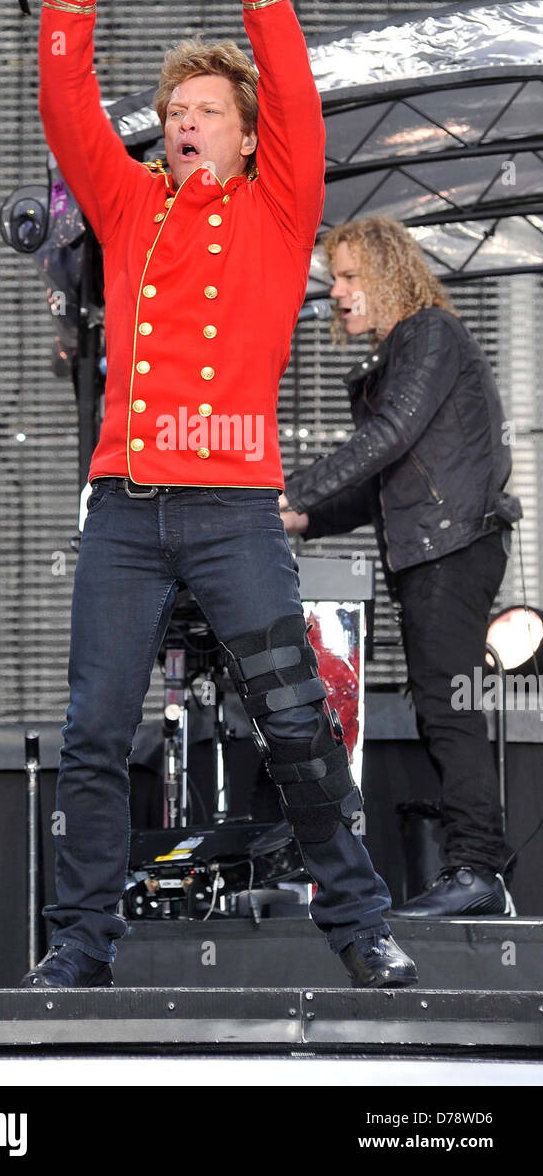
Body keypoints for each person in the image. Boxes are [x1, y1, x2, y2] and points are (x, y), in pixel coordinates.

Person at [20, 0, 417, 989]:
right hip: (128, 512)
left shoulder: (279, 207)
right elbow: (66, 112)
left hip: (235, 510)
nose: (184, 125)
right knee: (95, 734)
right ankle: (80, 945)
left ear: (245, 136)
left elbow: (295, 95)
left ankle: (359, 925)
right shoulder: (130, 203)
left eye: (206, 113)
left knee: (296, 724)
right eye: (175, 112)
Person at [280, 215, 521, 917]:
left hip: (451, 548)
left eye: (352, 277)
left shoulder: (429, 333)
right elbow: (378, 482)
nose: (339, 293)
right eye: (336, 280)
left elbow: (388, 438)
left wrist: (290, 492)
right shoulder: (400, 354)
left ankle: (477, 868)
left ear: (389, 273)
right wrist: (305, 516)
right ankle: (474, 869)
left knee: (449, 713)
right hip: (429, 550)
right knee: (442, 711)